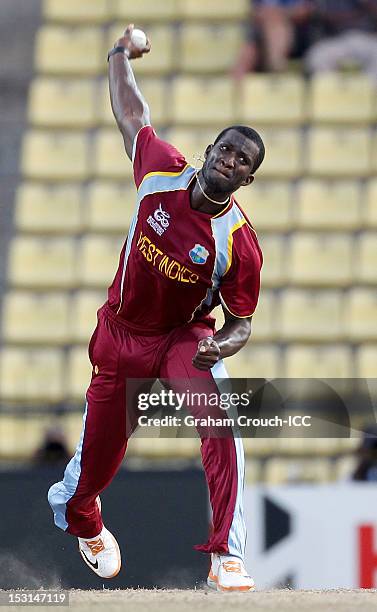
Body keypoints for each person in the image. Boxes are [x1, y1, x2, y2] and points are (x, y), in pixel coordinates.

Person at [47, 24, 265, 593]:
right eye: (227, 151)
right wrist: (119, 53)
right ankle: (84, 519)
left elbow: (242, 319)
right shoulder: (160, 169)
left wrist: (226, 343)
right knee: (96, 466)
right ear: (209, 152)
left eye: (243, 162)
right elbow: (130, 110)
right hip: (120, 336)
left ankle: (227, 555)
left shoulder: (238, 241)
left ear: (247, 178)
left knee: (222, 426)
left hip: (183, 337)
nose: (231, 162)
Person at [233, 0, 314, 78]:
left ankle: (276, 73)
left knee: (276, 24)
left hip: (298, 34)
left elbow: (304, 11)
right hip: (263, 32)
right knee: (247, 56)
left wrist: (278, 14)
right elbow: (255, 12)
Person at [304, 0, 377, 84]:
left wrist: (367, 3)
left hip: (368, 38)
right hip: (339, 39)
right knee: (316, 56)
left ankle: (369, 92)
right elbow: (315, 13)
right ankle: (333, 92)